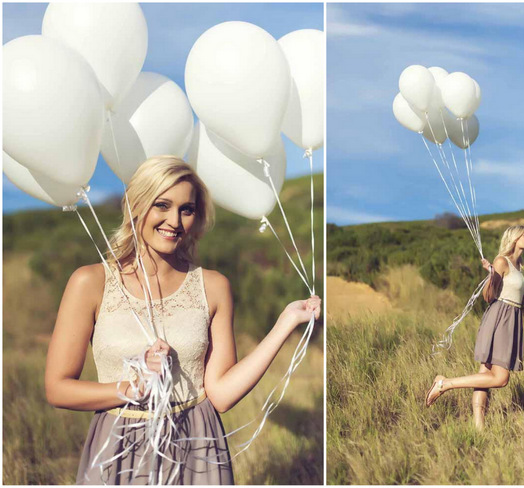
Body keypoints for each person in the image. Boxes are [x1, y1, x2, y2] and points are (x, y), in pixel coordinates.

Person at [44, 156, 321, 484]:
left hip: (198, 446)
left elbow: (221, 394)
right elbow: (57, 388)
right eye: (162, 205)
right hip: (118, 447)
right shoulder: (89, 282)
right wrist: (131, 388)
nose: (174, 221)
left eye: (186, 209)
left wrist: (285, 323)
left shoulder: (214, 286)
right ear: (136, 205)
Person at [425, 225, 524, 429]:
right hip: (500, 319)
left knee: (484, 374)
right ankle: (445, 384)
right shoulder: (502, 261)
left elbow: (517, 298)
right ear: (515, 238)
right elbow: (488, 296)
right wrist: (492, 275)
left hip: (512, 318)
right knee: (501, 379)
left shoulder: (519, 265)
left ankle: (478, 428)